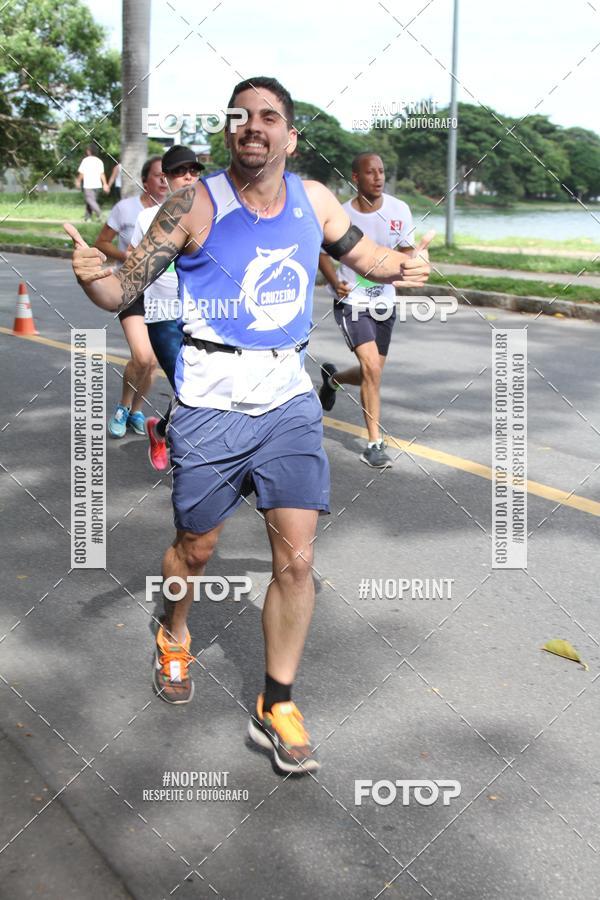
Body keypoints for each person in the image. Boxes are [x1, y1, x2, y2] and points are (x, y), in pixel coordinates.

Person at [64, 76, 432, 774]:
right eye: (242, 117)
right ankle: (175, 633)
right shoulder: (192, 202)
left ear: (290, 137)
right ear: (230, 133)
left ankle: (277, 702)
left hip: (288, 400)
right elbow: (123, 287)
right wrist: (91, 276)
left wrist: (406, 264)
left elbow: (367, 256)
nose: (254, 127)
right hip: (209, 398)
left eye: (269, 117)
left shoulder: (315, 199)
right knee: (195, 549)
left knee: (296, 560)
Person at [318, 152, 416, 468]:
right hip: (352, 303)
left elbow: (406, 253)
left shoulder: (400, 210)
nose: (378, 177)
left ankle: (332, 380)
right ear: (355, 178)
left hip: (384, 303)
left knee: (370, 373)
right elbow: (323, 253)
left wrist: (410, 266)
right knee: (372, 367)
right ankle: (374, 443)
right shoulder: (342, 216)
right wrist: (335, 281)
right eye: (370, 172)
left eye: (382, 171)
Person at [128, 145, 204, 470]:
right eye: (178, 171)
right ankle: (193, 461)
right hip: (161, 315)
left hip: (203, 316)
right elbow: (134, 262)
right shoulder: (148, 218)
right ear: (166, 178)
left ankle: (159, 430)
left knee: (201, 388)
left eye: (193, 170)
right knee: (188, 388)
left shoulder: (211, 215)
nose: (187, 176)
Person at [95, 157, 168, 438]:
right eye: (158, 175)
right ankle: (123, 406)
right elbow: (101, 242)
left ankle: (137, 410)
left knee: (152, 362)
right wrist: (126, 255)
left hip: (164, 293)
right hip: (131, 288)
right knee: (142, 356)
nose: (164, 180)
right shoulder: (126, 209)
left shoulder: (176, 212)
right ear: (146, 179)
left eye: (167, 175)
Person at [75, 145, 108, 221]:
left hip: (89, 184)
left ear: (89, 151)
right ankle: (87, 218)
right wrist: (105, 184)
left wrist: (78, 181)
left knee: (90, 200)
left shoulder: (86, 160)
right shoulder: (99, 161)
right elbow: (102, 174)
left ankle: (100, 214)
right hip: (97, 185)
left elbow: (82, 173)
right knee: (90, 201)